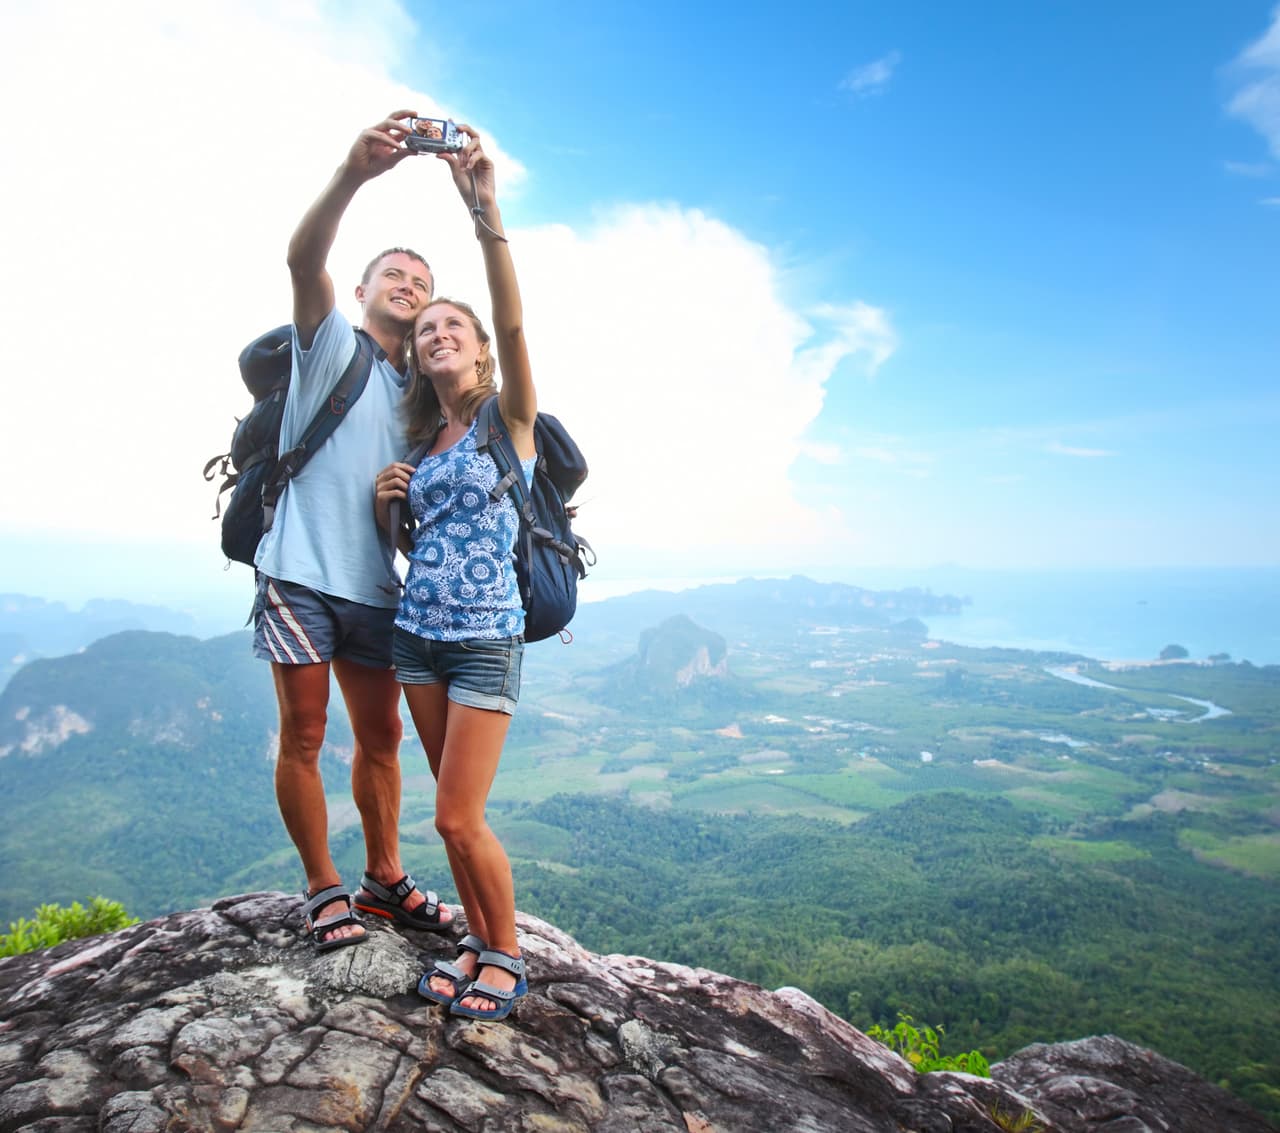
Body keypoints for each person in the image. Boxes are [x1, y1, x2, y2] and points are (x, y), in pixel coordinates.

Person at [255, 110, 454, 952]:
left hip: (375, 586)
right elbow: (304, 259)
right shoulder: (328, 343)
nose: (408, 284)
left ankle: (384, 875)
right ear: (367, 288)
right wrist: (352, 171)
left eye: (421, 278)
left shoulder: (422, 396)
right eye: (394, 274)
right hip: (300, 569)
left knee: (383, 737)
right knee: (303, 733)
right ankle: (322, 885)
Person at [374, 124, 534, 1019]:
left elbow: (514, 319)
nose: (437, 332)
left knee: (455, 817)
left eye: (452, 325)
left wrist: (486, 214)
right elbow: (421, 548)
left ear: (475, 349)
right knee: (450, 814)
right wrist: (384, 503)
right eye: (425, 326)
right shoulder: (423, 442)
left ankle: (506, 953)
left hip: (483, 643)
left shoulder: (504, 419)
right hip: (417, 641)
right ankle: (476, 941)